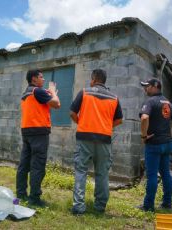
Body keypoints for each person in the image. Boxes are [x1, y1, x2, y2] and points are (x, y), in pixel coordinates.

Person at [69, 69, 123, 215]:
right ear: (104, 81)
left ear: (93, 80)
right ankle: (100, 207)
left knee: (81, 171)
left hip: (84, 138)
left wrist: (82, 123)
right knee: (102, 174)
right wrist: (105, 126)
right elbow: (119, 120)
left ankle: (78, 207)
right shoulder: (114, 97)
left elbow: (72, 113)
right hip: (104, 140)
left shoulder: (84, 92)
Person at [16, 69, 60, 207]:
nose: (44, 79)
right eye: (41, 77)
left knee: (24, 164)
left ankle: (21, 194)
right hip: (39, 132)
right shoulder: (38, 91)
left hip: (27, 132)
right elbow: (57, 104)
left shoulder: (26, 93)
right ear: (34, 79)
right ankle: (34, 199)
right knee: (37, 166)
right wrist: (52, 91)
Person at [138, 77, 172, 212]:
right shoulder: (167, 102)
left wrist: (144, 136)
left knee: (151, 175)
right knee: (166, 175)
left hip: (154, 144)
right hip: (167, 144)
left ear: (155, 86)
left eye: (147, 86)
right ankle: (167, 203)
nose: (145, 88)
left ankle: (148, 205)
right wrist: (170, 135)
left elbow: (144, 118)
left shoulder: (150, 102)